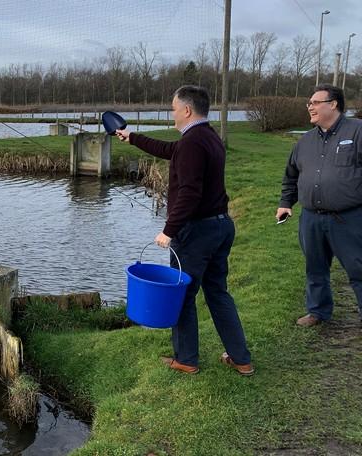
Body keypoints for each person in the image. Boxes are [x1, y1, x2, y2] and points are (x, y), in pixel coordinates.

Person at [115, 85, 253, 376]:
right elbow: (169, 150)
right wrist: (132, 137)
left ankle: (186, 359)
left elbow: (190, 192)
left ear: (187, 110)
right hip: (220, 226)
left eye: (174, 109)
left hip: (197, 233)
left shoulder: (193, 142)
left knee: (183, 296)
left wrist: (169, 230)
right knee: (218, 293)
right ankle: (241, 358)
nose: (172, 113)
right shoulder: (207, 137)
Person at [277, 84, 362, 327]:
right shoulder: (305, 141)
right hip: (311, 218)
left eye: (315, 102)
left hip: (349, 218)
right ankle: (317, 311)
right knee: (315, 267)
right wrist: (285, 203)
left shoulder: (357, 131)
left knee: (358, 268)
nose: (310, 107)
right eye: (309, 103)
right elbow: (291, 175)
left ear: (333, 104)